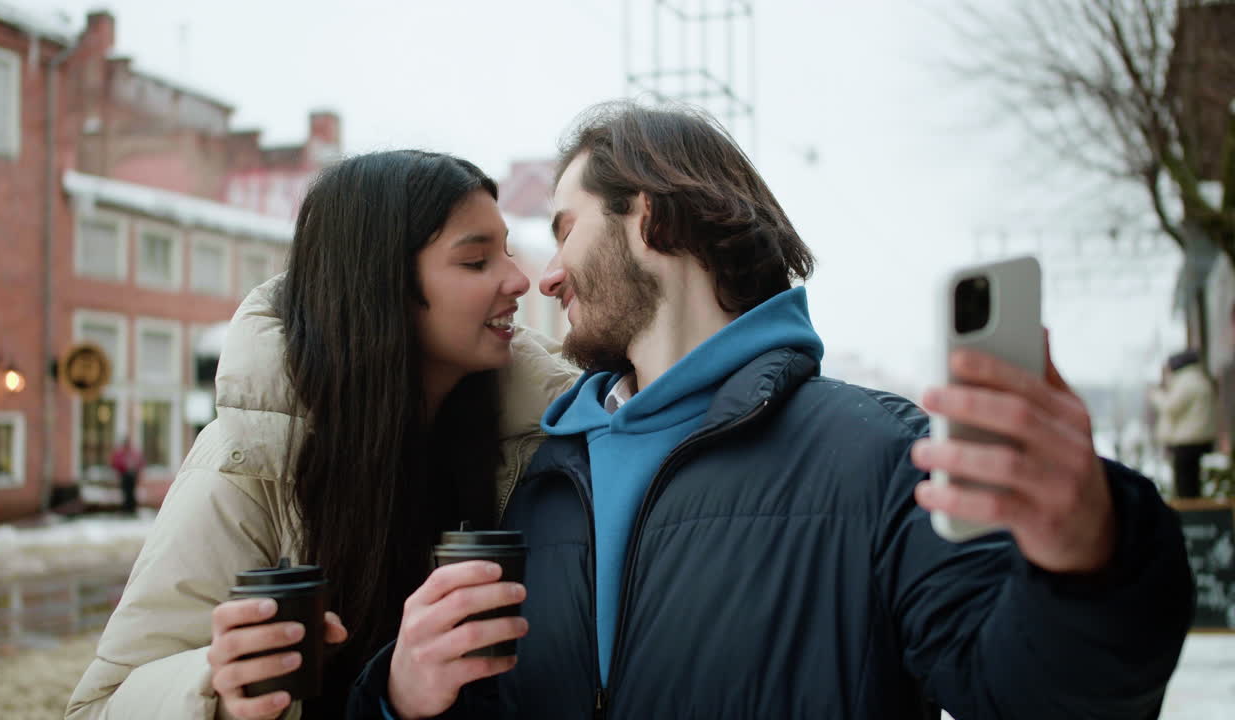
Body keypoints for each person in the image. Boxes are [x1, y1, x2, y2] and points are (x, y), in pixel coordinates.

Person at [350, 103, 1195, 719]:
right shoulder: (542, 478)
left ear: (650, 218)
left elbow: (1036, 698)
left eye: (565, 229)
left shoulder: (879, 459)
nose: (546, 274)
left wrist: (1092, 563)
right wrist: (396, 701)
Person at [66, 151, 578, 719]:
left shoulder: (539, 438)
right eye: (477, 261)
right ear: (382, 286)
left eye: (506, 250)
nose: (519, 279)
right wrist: (219, 691)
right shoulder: (249, 460)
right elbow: (99, 706)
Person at [1152, 348, 1217, 498]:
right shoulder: (1199, 378)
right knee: (1192, 484)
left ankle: (1190, 517)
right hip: (1198, 438)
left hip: (1187, 441)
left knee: (1185, 487)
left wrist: (1156, 396)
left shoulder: (1186, 381)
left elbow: (1171, 407)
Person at [109, 437, 144, 514]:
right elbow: (115, 463)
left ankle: (131, 508)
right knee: (126, 493)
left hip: (132, 476)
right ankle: (127, 508)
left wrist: (135, 470)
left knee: (131, 493)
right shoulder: (120, 453)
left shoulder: (133, 453)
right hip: (124, 476)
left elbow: (140, 463)